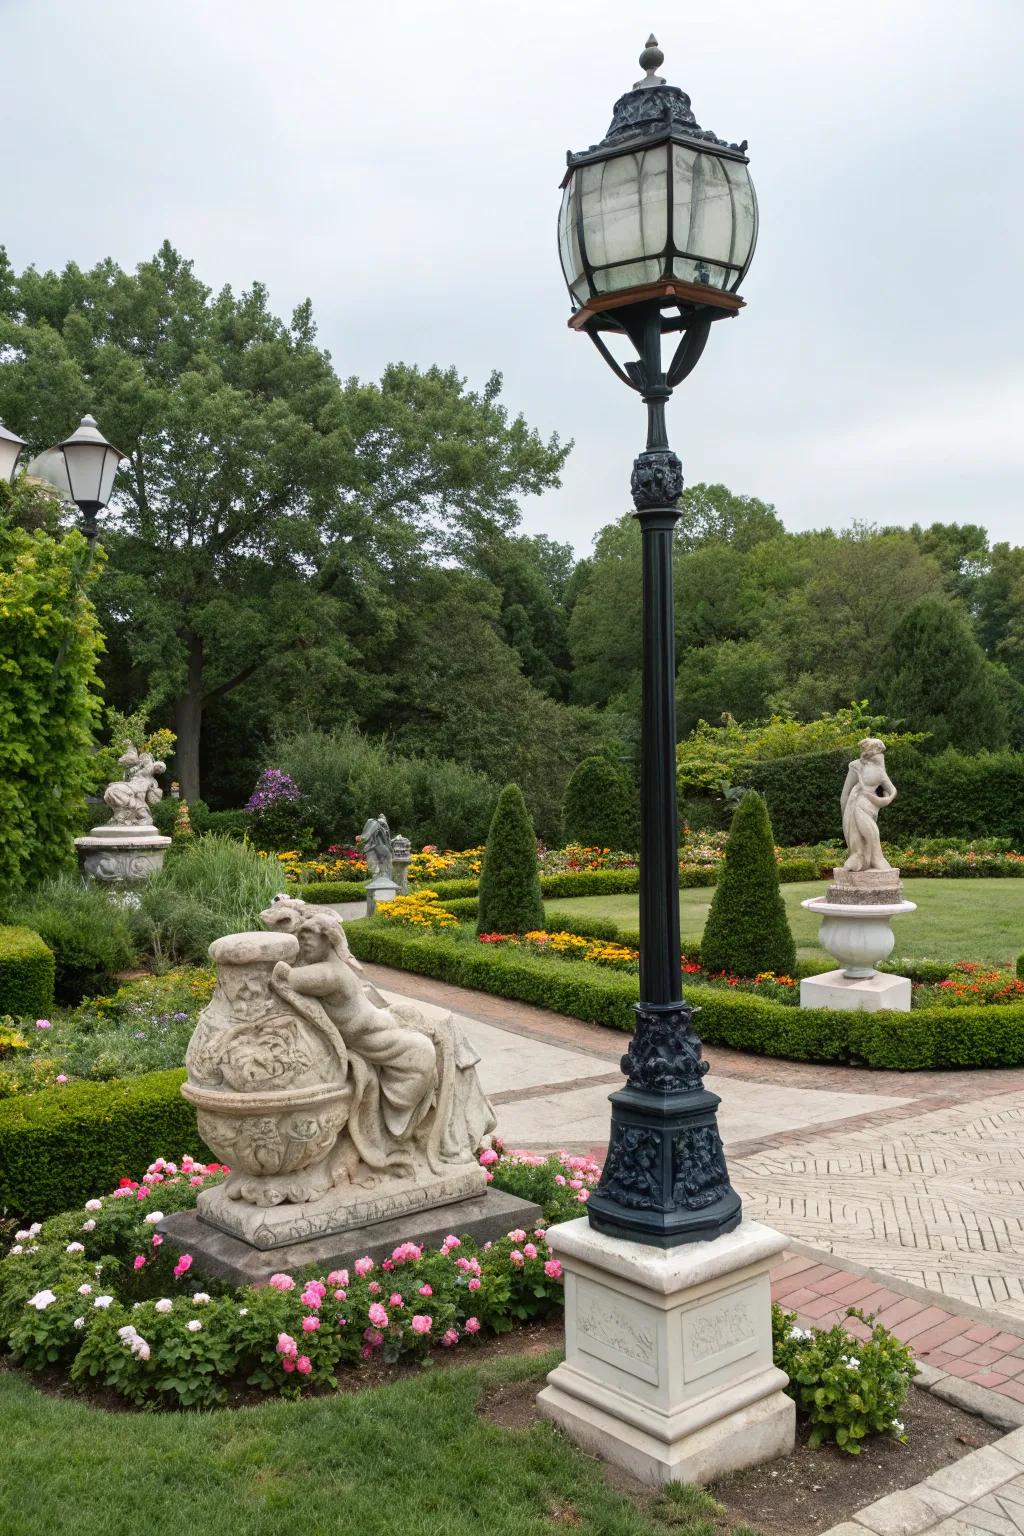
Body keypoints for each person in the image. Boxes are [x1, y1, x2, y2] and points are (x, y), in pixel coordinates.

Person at [841, 738, 897, 872]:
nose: (881, 755)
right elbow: (844, 795)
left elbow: (893, 790)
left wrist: (885, 800)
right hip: (857, 805)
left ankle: (874, 859)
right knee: (869, 833)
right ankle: (864, 858)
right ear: (871, 752)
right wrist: (845, 817)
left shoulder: (880, 772)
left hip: (871, 807)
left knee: (872, 832)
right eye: (879, 752)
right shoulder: (856, 766)